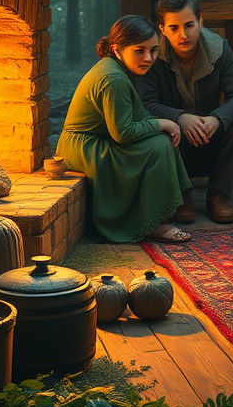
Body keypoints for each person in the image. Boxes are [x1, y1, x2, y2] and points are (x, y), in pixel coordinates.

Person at [58, 15, 194, 244]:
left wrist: (161, 126)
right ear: (117, 49)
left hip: (100, 140)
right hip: (86, 148)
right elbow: (123, 134)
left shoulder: (117, 68)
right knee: (159, 146)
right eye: (139, 51)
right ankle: (152, 222)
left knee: (160, 140)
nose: (148, 58)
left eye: (153, 51)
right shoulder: (114, 79)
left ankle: (173, 207)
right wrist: (163, 123)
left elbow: (130, 120)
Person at [137, 0, 233, 224]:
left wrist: (216, 119)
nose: (183, 35)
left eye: (189, 25)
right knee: (157, 130)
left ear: (200, 21)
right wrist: (179, 118)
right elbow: (144, 104)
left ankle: (219, 195)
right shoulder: (153, 54)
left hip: (209, 140)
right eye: (174, 28)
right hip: (174, 147)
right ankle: (182, 195)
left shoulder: (219, 49)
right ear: (162, 29)